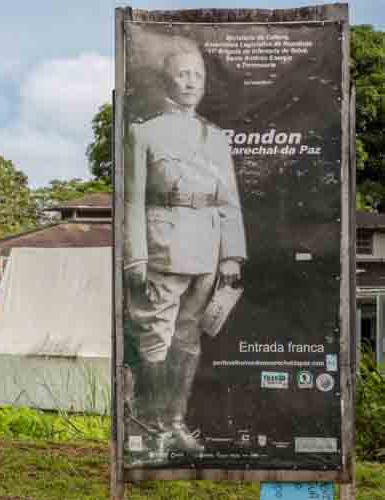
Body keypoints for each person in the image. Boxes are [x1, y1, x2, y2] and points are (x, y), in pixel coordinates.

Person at [124, 41, 247, 457]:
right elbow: (132, 200)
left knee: (189, 338)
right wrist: (136, 254)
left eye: (198, 76)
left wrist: (231, 255)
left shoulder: (215, 137)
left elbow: (228, 200)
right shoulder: (144, 133)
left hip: (207, 249)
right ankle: (154, 428)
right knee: (156, 338)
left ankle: (175, 423)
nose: (192, 83)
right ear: (167, 80)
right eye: (183, 75)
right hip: (162, 247)